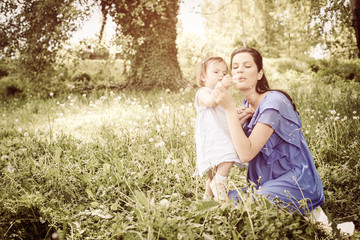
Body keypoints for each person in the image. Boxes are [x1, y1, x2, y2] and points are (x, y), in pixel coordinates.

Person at [212, 48, 325, 215]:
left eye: (247, 66)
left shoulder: (274, 102)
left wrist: (229, 109)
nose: (240, 70)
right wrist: (236, 122)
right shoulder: (246, 105)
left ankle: (312, 214)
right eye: (235, 67)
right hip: (265, 183)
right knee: (227, 201)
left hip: (297, 181)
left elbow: (246, 154)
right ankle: (300, 213)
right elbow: (236, 151)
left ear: (259, 74)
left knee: (252, 205)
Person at [194, 56, 247, 202]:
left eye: (224, 73)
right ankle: (220, 182)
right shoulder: (203, 92)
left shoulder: (222, 93)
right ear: (203, 77)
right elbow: (211, 103)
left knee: (214, 171)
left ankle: (207, 198)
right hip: (210, 136)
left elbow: (225, 113)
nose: (221, 75)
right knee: (229, 153)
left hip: (222, 133)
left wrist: (240, 113)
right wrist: (222, 86)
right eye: (216, 72)